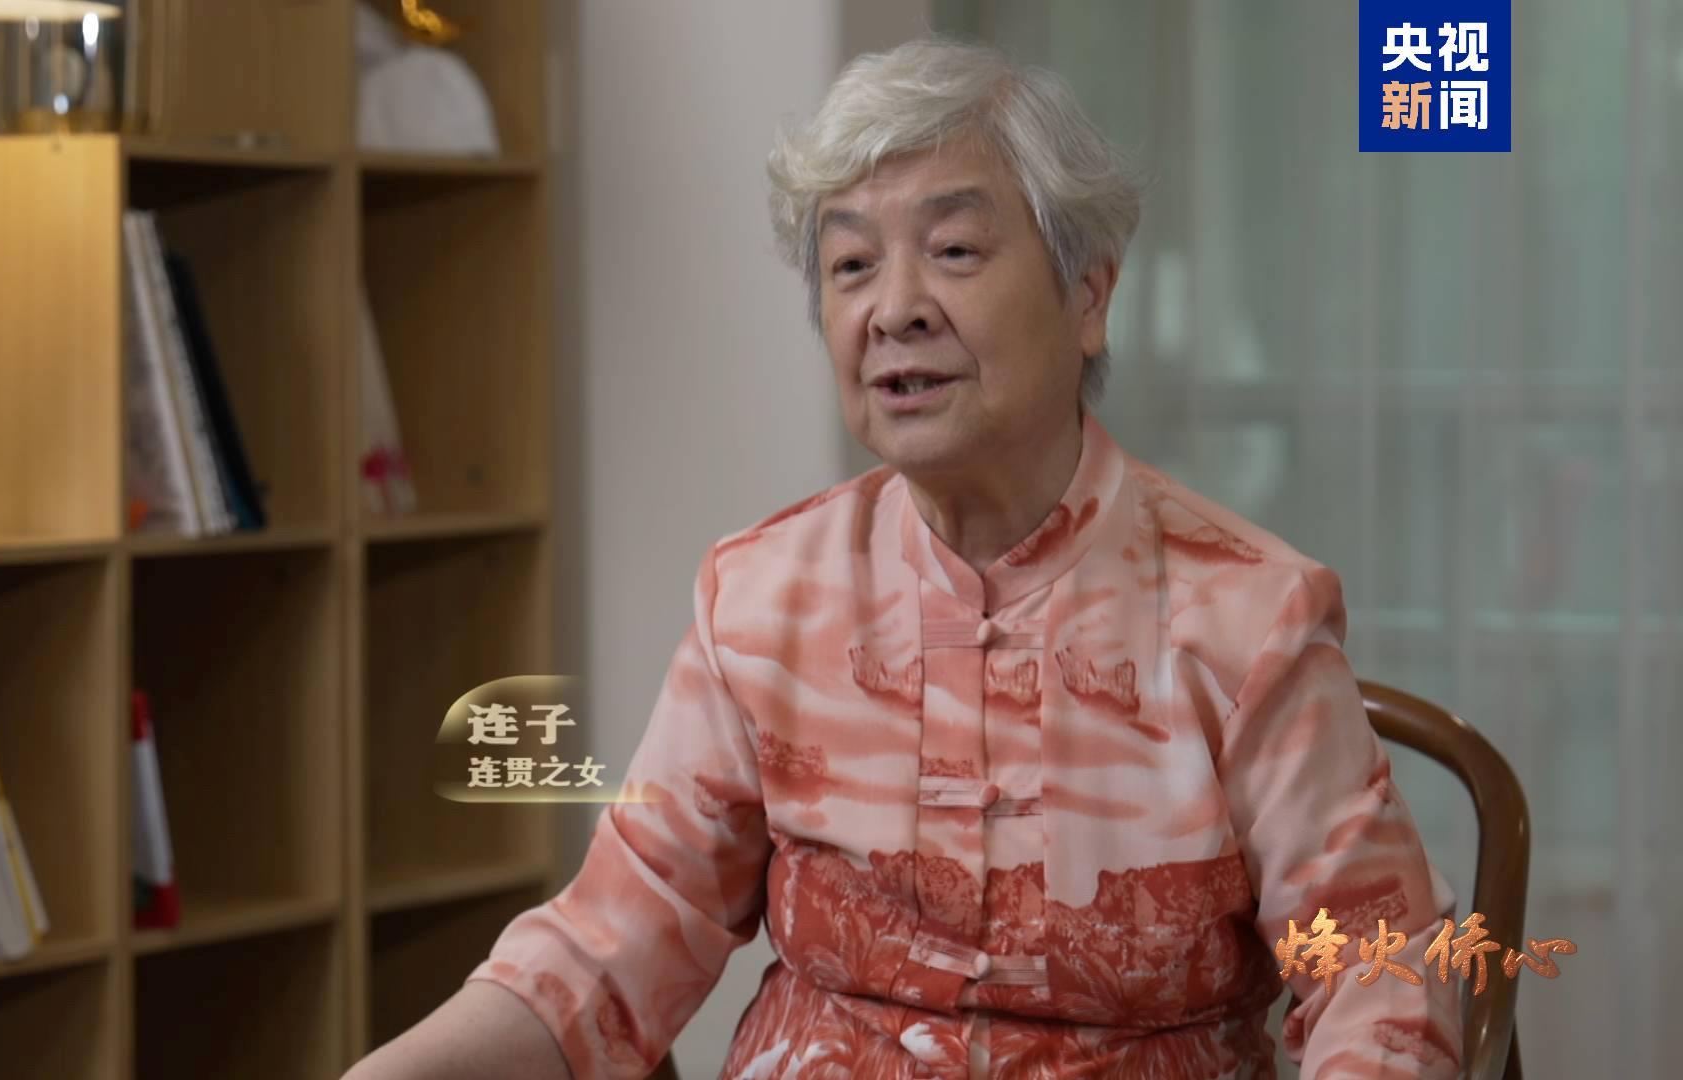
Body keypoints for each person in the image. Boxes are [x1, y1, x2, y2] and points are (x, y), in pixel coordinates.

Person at [344, 39, 1462, 1080]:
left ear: (1088, 295)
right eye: (850, 265)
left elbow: (1384, 970)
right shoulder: (763, 599)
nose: (894, 311)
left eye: (954, 251)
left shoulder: (1246, 613)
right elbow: (607, 949)